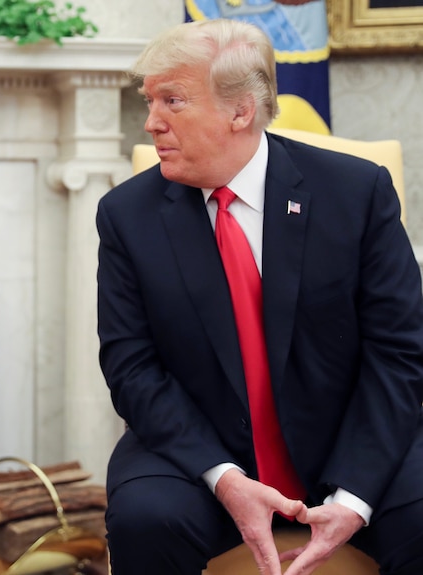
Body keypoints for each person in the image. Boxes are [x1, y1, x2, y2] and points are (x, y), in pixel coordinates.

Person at [97, 18, 423, 575]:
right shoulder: (127, 214)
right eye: (150, 101)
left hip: (349, 436)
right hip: (199, 448)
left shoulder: (356, 193)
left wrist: (354, 499)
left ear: (240, 111)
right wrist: (223, 477)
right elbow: (132, 367)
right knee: (144, 519)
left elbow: (400, 354)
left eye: (172, 101)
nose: (152, 123)